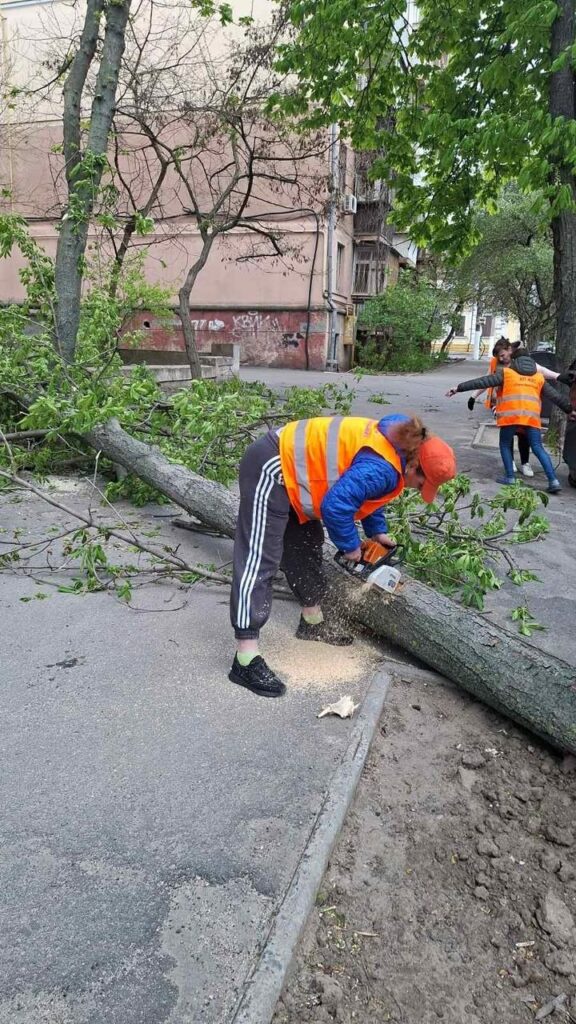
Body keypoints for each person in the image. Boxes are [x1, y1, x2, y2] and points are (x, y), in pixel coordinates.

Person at [229, 414, 457, 698]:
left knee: (306, 545)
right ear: (414, 466)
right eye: (422, 484)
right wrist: (351, 547)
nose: (418, 490)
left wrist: (377, 532)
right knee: (261, 555)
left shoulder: (397, 448)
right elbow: (336, 506)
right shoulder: (384, 468)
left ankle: (312, 624)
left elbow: (366, 493)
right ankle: (245, 659)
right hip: (271, 466)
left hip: (297, 478)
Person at [447, 349, 575, 492]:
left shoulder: (506, 374)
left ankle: (510, 477)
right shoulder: (539, 378)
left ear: (514, 361)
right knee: (538, 448)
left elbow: (483, 381)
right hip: (531, 418)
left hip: (510, 417)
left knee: (505, 444)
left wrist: (458, 388)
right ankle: (553, 481)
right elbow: (556, 397)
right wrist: (570, 410)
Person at [467, 338, 560, 477]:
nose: (502, 358)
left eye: (503, 355)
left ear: (510, 350)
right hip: (503, 406)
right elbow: (486, 380)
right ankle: (509, 462)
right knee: (507, 434)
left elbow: (543, 371)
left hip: (525, 406)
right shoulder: (495, 364)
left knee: (524, 435)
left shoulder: (523, 362)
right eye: (499, 357)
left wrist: (561, 377)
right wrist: (473, 396)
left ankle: (525, 463)